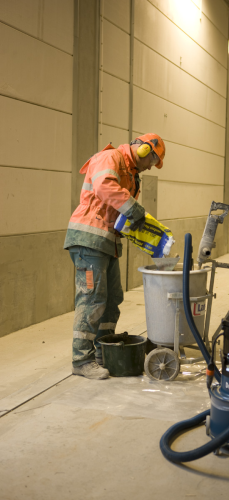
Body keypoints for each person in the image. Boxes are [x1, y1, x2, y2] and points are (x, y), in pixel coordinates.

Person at [64, 133, 166, 379]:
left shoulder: (133, 176)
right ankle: (81, 359)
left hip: (107, 242)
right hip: (89, 239)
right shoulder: (110, 157)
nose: (152, 165)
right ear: (142, 150)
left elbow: (119, 214)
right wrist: (134, 209)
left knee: (112, 300)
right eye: (153, 158)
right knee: (92, 299)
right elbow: (104, 186)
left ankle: (102, 352)